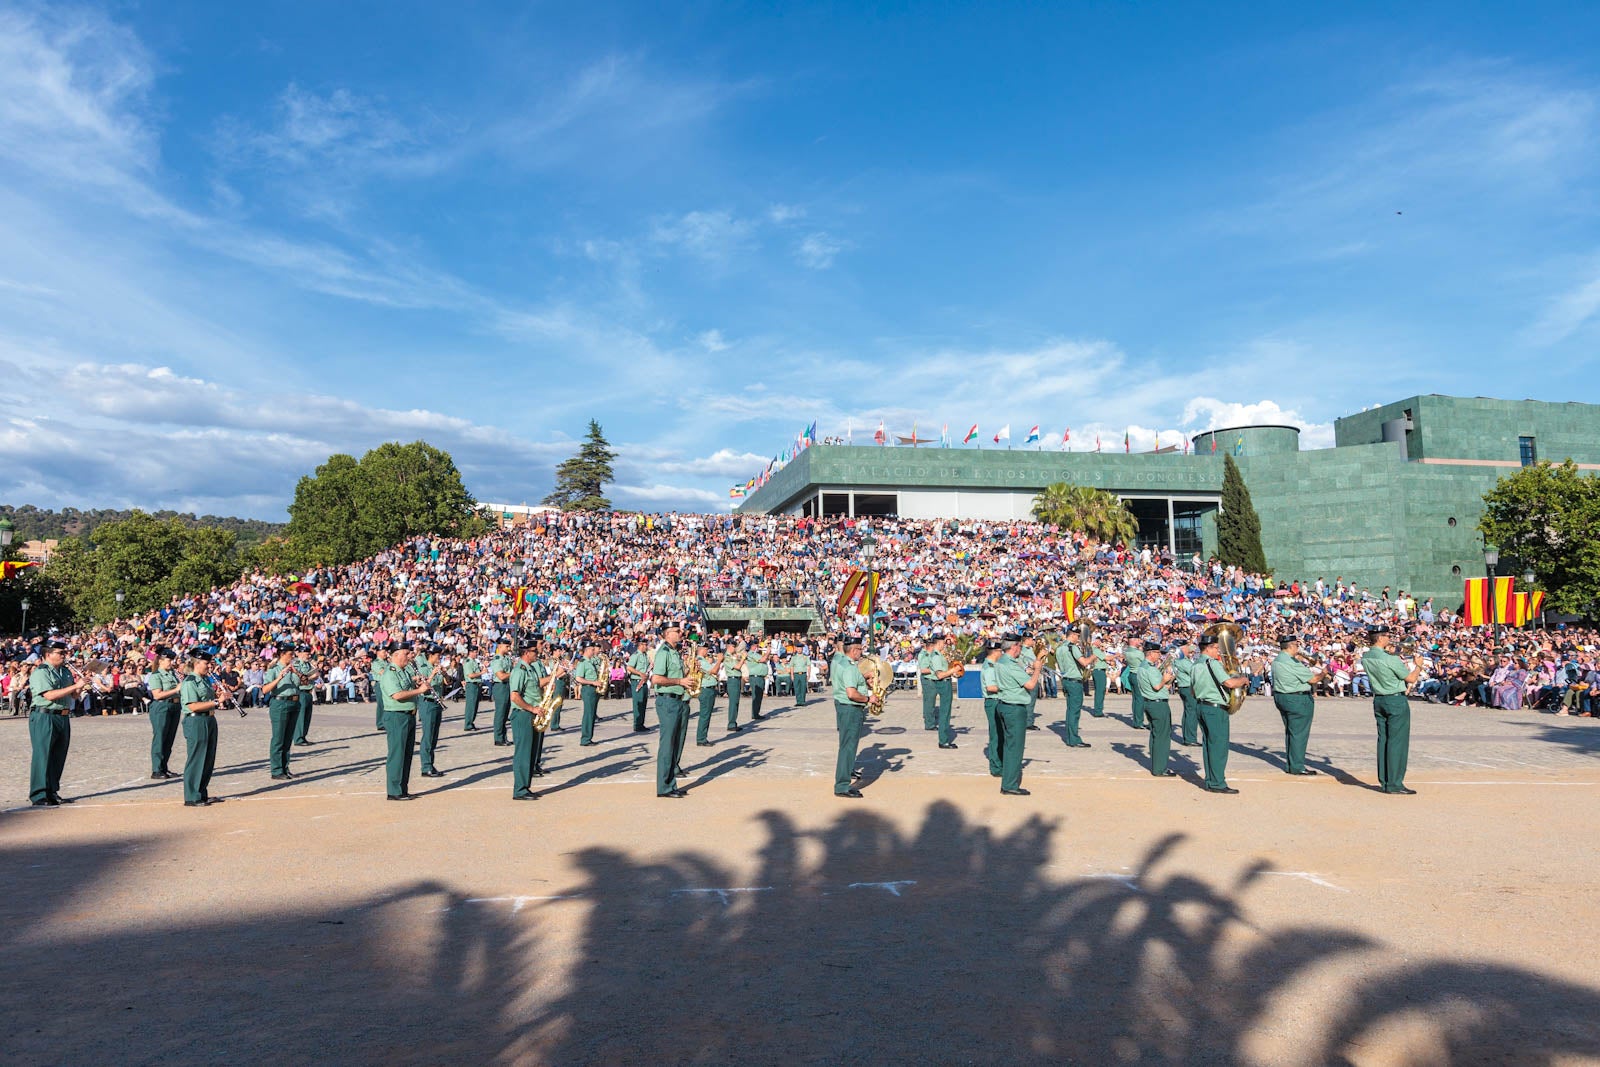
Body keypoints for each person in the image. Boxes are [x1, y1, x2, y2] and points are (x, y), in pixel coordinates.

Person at [1362, 627, 1422, 795]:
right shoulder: (1391, 659)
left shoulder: (1366, 657)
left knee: (1384, 741)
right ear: (1380, 638)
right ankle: (1395, 783)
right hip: (1395, 699)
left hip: (1379, 699)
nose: (1390, 639)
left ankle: (1385, 780)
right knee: (1398, 742)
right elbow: (1410, 678)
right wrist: (1418, 666)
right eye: (1387, 636)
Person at [1190, 633, 1249, 794]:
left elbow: (1193, 691)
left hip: (1202, 706)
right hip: (1215, 709)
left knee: (1208, 745)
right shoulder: (1212, 664)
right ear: (1209, 648)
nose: (1218, 651)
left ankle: (1211, 780)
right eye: (1216, 648)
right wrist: (1243, 680)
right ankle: (1217, 783)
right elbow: (1229, 683)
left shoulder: (1195, 664)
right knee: (1219, 747)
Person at [28, 640, 83, 806]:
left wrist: (81, 686)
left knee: (58, 756)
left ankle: (52, 791)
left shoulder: (64, 671)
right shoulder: (41, 672)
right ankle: (39, 794)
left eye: (64, 652)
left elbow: (73, 696)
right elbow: (50, 695)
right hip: (45, 716)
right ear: (48, 654)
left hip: (63, 716)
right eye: (60, 653)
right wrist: (75, 686)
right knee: (43, 755)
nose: (63, 656)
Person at [993, 633, 1045, 795]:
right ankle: (1009, 785)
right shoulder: (1010, 664)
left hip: (1004, 704)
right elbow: (1030, 684)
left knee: (1009, 746)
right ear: (1014, 646)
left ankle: (1008, 781)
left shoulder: (1002, 660)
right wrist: (1037, 669)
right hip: (1014, 708)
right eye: (1019, 647)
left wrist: (1029, 669)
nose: (1020, 650)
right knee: (1015, 748)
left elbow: (1016, 677)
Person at [1270, 635, 1325, 776]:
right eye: (1296, 645)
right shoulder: (1291, 662)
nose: (1298, 648)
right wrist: (1323, 673)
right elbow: (1313, 679)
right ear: (1290, 646)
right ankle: (1297, 766)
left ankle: (1291, 764)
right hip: (1297, 699)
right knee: (1299, 734)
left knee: (1291, 732)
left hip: (1282, 697)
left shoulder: (1279, 659)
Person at [179, 650, 227, 807]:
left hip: (209, 719)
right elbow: (192, 706)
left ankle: (201, 793)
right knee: (197, 759)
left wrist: (220, 694)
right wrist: (216, 701)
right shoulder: (190, 682)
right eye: (206, 663)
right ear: (196, 663)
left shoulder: (205, 679)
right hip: (196, 721)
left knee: (208, 759)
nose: (209, 666)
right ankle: (192, 796)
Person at [378, 645, 425, 801]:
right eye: (406, 653)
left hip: (408, 715)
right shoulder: (390, 673)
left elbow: (406, 687)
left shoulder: (404, 672)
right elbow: (397, 695)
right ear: (396, 655)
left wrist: (417, 683)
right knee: (397, 754)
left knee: (406, 754)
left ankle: (402, 788)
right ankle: (394, 790)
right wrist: (419, 691)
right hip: (396, 716)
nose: (409, 656)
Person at [650, 625, 692, 798]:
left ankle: (670, 783)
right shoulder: (664, 652)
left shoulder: (675, 652)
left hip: (679, 700)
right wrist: (680, 681)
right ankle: (664, 787)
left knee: (675, 744)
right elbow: (656, 679)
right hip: (668, 702)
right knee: (667, 745)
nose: (681, 633)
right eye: (677, 631)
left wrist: (688, 671)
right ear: (668, 634)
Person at [830, 635, 870, 798]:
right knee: (848, 747)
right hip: (851, 709)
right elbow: (852, 693)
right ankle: (842, 786)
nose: (861, 652)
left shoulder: (839, 661)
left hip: (843, 706)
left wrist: (862, 678)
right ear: (854, 650)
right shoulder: (850, 667)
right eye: (860, 649)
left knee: (846, 746)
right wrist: (869, 698)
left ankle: (843, 781)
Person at [507, 645, 545, 800]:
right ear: (526, 653)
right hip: (523, 714)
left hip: (531, 714)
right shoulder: (519, 670)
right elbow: (515, 696)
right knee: (523, 753)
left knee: (531, 752)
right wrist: (532, 708)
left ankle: (525, 787)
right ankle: (520, 790)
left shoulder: (531, 669)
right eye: (534, 651)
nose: (537, 653)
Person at [1136, 642, 1179, 778]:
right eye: (1157, 653)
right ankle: (1160, 768)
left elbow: (1162, 687)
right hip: (1158, 704)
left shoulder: (1143, 667)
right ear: (1151, 653)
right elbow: (1156, 686)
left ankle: (1157, 766)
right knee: (1162, 737)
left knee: (1156, 735)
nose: (1159, 655)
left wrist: (1170, 679)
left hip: (1150, 703)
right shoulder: (1150, 669)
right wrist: (1164, 679)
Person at [261, 642, 302, 781]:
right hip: (279, 703)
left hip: (294, 702)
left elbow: (304, 682)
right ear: (282, 654)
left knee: (288, 738)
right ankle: (277, 770)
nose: (293, 656)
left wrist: (296, 672)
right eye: (290, 654)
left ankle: (285, 768)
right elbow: (265, 689)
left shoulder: (294, 667)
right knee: (278, 738)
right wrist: (279, 677)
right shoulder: (273, 669)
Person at [143, 646, 184, 780]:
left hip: (174, 706)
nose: (171, 663)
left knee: (169, 739)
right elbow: (157, 695)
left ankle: (164, 767)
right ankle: (156, 769)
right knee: (160, 738)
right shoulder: (156, 675)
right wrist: (176, 689)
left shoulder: (173, 674)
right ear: (160, 661)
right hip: (161, 707)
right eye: (168, 660)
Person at [1054, 632, 1094, 749]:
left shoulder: (1060, 648)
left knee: (1070, 710)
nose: (1078, 638)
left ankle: (1071, 737)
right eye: (1077, 636)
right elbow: (1084, 662)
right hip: (1074, 681)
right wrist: (1093, 656)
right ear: (1072, 636)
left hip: (1066, 679)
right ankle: (1074, 739)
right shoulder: (1072, 647)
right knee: (1074, 711)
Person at [416, 645, 448, 778]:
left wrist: (444, 673)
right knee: (428, 736)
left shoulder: (438, 667)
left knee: (434, 735)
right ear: (432, 655)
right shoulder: (423, 668)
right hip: (427, 703)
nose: (439, 658)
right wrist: (433, 674)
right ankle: (426, 766)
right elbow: (423, 686)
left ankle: (431, 763)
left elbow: (446, 682)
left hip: (437, 703)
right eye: (438, 655)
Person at [924, 634, 960, 749]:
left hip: (945, 682)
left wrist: (952, 672)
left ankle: (944, 739)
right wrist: (953, 670)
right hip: (943, 683)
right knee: (945, 712)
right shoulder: (936, 656)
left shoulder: (938, 655)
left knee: (946, 712)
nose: (944, 645)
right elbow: (939, 675)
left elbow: (944, 671)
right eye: (943, 643)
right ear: (939, 643)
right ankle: (943, 740)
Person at [979, 640, 1004, 777]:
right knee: (996, 735)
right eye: (1001, 651)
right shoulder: (989, 667)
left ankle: (1000, 762)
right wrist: (1007, 685)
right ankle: (995, 766)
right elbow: (991, 687)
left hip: (997, 701)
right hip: (993, 701)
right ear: (996, 652)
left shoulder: (994, 664)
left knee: (1001, 734)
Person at [573, 641, 604, 747]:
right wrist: (592, 682)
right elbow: (578, 678)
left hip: (594, 689)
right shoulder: (583, 662)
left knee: (592, 714)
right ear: (586, 650)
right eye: (592, 649)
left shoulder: (591, 661)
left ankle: (588, 737)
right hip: (588, 689)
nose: (593, 650)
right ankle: (585, 738)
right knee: (588, 714)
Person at [694, 645, 723, 747]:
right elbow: (714, 671)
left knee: (706, 714)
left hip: (709, 689)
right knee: (705, 715)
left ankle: (702, 737)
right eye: (706, 649)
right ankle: (701, 738)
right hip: (706, 689)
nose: (708, 652)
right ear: (702, 650)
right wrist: (719, 661)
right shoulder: (700, 660)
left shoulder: (703, 660)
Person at [1173, 642, 1199, 747]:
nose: (1190, 651)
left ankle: (1187, 737)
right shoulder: (1182, 661)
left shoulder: (1179, 660)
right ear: (1183, 649)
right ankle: (1190, 738)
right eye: (1188, 649)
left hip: (1183, 687)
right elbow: (1194, 672)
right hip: (1188, 687)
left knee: (1188, 712)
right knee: (1192, 713)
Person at [489, 638, 514, 747]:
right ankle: (498, 738)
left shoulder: (507, 658)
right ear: (499, 646)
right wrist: (513, 673)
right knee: (500, 712)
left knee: (505, 713)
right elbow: (501, 676)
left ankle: (503, 737)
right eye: (506, 646)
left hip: (507, 686)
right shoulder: (497, 659)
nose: (508, 648)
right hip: (500, 686)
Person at [291, 644, 316, 746]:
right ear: (300, 653)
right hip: (300, 691)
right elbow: (298, 677)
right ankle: (298, 738)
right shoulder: (296, 664)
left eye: (309, 653)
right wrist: (310, 677)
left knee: (307, 716)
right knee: (300, 716)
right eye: (307, 653)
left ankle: (303, 736)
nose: (309, 655)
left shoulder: (308, 664)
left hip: (309, 691)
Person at [627, 642, 652, 732]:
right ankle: (637, 724)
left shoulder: (645, 655)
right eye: (645, 645)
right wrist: (640, 673)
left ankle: (641, 723)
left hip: (644, 681)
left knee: (643, 703)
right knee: (638, 703)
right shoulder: (636, 655)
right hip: (637, 681)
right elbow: (629, 667)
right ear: (640, 645)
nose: (646, 646)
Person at [1123, 635, 1146, 729]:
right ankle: (1139, 722)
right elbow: (1146, 663)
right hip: (1138, 675)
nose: (1139, 641)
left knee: (1135, 699)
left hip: (1132, 674)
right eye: (1138, 640)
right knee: (1140, 699)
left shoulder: (1127, 651)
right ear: (1134, 640)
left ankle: (1136, 720)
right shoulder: (1138, 653)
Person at [723, 641, 745, 731]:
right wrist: (743, 658)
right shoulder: (727, 657)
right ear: (729, 646)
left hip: (737, 679)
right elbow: (737, 667)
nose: (735, 648)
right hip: (732, 679)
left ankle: (733, 722)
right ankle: (731, 724)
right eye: (733, 646)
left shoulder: (733, 656)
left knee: (736, 702)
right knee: (733, 702)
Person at [461, 648, 483, 731]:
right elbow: (470, 675)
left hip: (476, 684)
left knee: (475, 705)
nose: (476, 653)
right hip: (471, 685)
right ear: (470, 652)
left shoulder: (474, 661)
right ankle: (468, 724)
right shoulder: (468, 662)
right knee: (471, 706)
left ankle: (471, 722)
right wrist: (481, 673)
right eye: (475, 652)